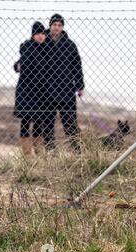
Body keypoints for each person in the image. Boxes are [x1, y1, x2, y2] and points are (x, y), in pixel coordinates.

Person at [44, 13, 85, 151]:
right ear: (50, 26)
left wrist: (80, 86)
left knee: (70, 124)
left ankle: (79, 151)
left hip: (66, 90)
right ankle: (50, 151)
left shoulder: (70, 45)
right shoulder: (42, 41)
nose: (57, 27)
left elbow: (77, 66)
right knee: (47, 123)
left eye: (59, 25)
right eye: (54, 25)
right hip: (46, 91)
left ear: (62, 27)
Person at [13, 21, 48, 155]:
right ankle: (27, 154)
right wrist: (17, 66)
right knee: (26, 120)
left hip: (41, 92)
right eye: (37, 33)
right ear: (33, 35)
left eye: (43, 33)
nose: (40, 36)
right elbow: (20, 63)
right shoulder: (27, 47)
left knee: (39, 121)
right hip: (26, 91)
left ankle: (39, 152)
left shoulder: (47, 50)